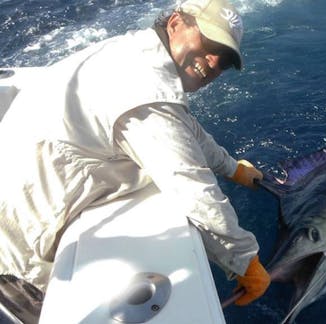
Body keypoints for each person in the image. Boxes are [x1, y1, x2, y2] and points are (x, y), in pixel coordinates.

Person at [0, 0, 270, 321]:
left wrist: (232, 168)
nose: (213, 62)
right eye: (209, 42)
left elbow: (183, 128)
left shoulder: (134, 52)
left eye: (224, 60)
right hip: (18, 268)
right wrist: (246, 261)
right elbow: (194, 192)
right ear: (175, 23)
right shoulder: (147, 93)